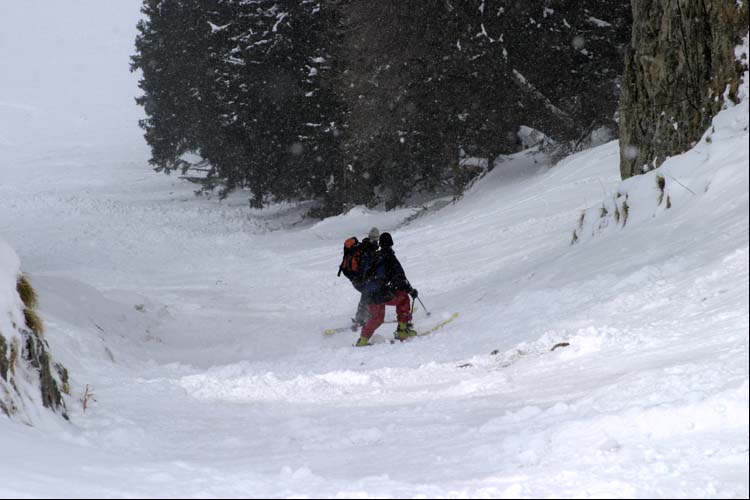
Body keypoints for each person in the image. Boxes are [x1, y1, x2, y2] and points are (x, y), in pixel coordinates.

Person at [355, 232, 419, 346]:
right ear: (391, 243)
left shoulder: (375, 256)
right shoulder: (390, 257)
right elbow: (400, 279)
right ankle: (403, 331)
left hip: (371, 294)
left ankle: (363, 340)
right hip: (382, 294)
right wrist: (411, 290)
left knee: (377, 318)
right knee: (403, 299)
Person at [352, 227, 380, 327]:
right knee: (369, 294)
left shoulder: (363, 245)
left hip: (356, 278)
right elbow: (367, 264)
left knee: (366, 295)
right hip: (363, 278)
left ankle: (361, 317)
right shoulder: (370, 248)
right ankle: (363, 319)